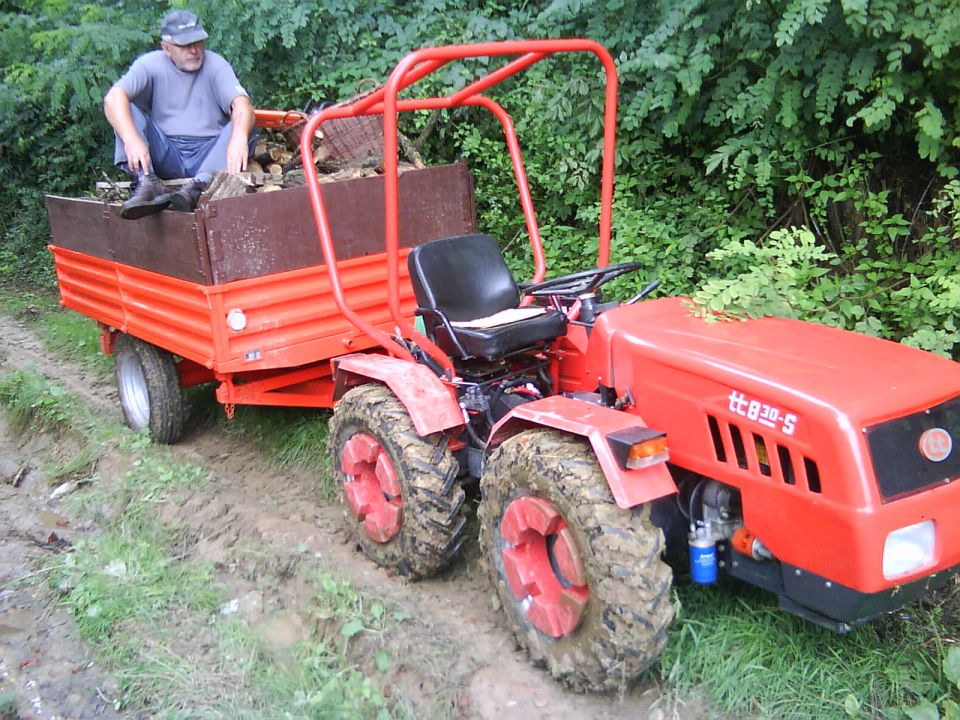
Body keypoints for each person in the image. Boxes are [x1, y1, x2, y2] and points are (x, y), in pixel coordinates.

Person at [104, 9, 255, 219]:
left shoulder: (216, 65)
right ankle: (147, 182)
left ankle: (195, 189)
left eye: (198, 42)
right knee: (125, 108)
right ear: (166, 48)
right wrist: (131, 139)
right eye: (185, 45)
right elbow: (113, 98)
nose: (194, 51)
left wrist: (239, 138)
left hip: (208, 155)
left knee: (245, 123)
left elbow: (241, 104)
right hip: (167, 152)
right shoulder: (151, 64)